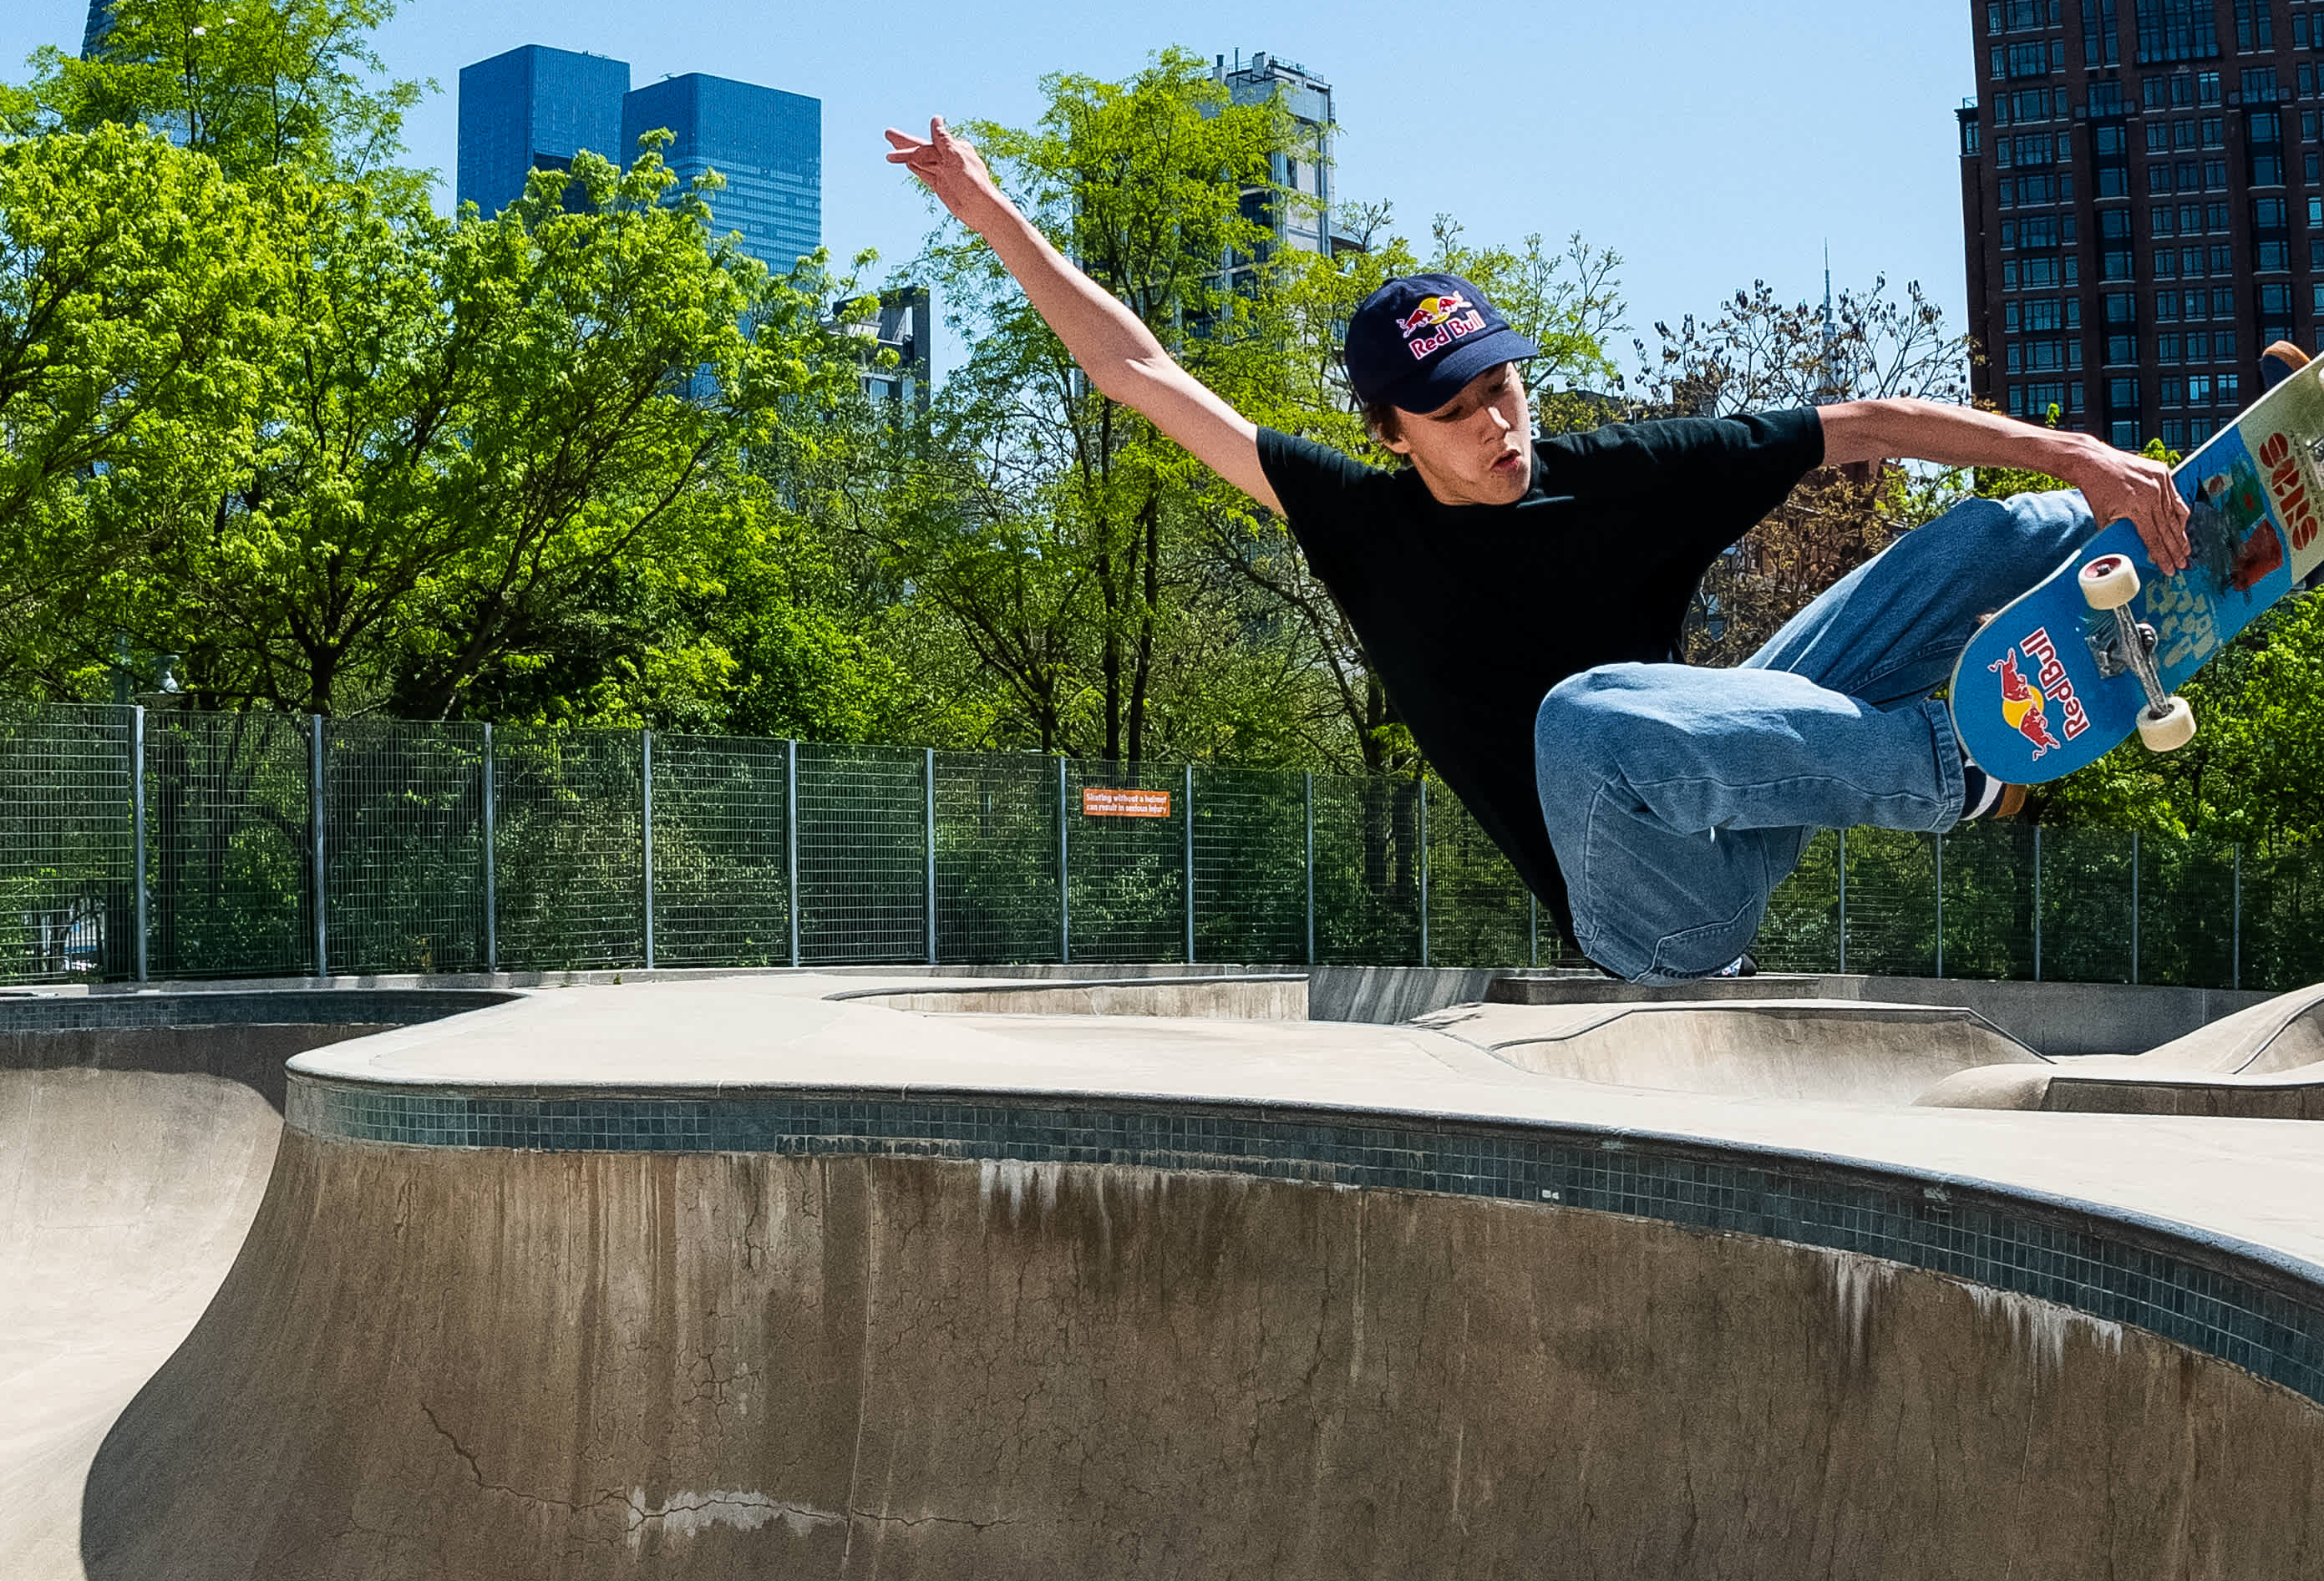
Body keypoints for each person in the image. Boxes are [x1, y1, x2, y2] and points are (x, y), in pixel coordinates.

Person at [885, 116, 2191, 979]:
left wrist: (2081, 457)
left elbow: (1865, 425)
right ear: (1391, 433)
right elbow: (1142, 374)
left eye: (1503, 388)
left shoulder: (1621, 477)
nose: (1499, 425)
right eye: (1456, 413)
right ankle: (1956, 768)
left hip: (1748, 794)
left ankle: (2173, 527)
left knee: (2001, 530)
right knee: (1582, 718)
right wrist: (990, 209)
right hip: (1649, 918)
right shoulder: (1357, 522)